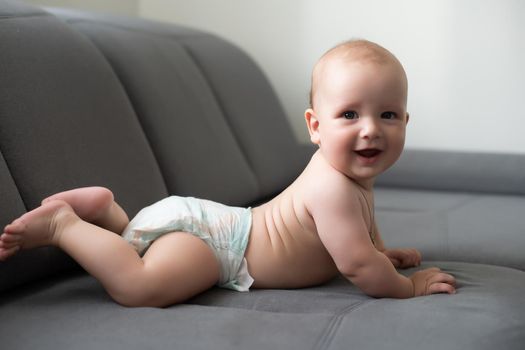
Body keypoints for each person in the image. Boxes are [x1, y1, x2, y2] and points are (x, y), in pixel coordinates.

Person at [0, 39, 456, 307]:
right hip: (217, 247)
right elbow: (357, 266)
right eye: (350, 115)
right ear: (315, 127)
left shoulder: (348, 178)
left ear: (405, 122)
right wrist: (406, 287)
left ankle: (111, 215)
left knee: (139, 246)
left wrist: (381, 250)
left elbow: (360, 238)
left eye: (389, 116)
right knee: (139, 287)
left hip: (216, 226)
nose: (371, 131)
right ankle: (66, 225)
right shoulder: (334, 187)